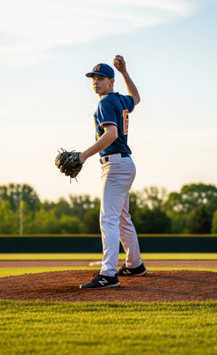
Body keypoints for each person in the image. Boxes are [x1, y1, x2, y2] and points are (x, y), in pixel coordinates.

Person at [79, 55, 147, 289]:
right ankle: (134, 264)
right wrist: (126, 72)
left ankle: (108, 274)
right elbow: (136, 98)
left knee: (108, 218)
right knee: (121, 217)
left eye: (101, 78)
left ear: (111, 81)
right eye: (93, 78)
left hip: (116, 166)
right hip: (125, 164)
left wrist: (83, 155)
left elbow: (111, 135)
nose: (95, 82)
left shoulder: (106, 102)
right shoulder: (120, 101)